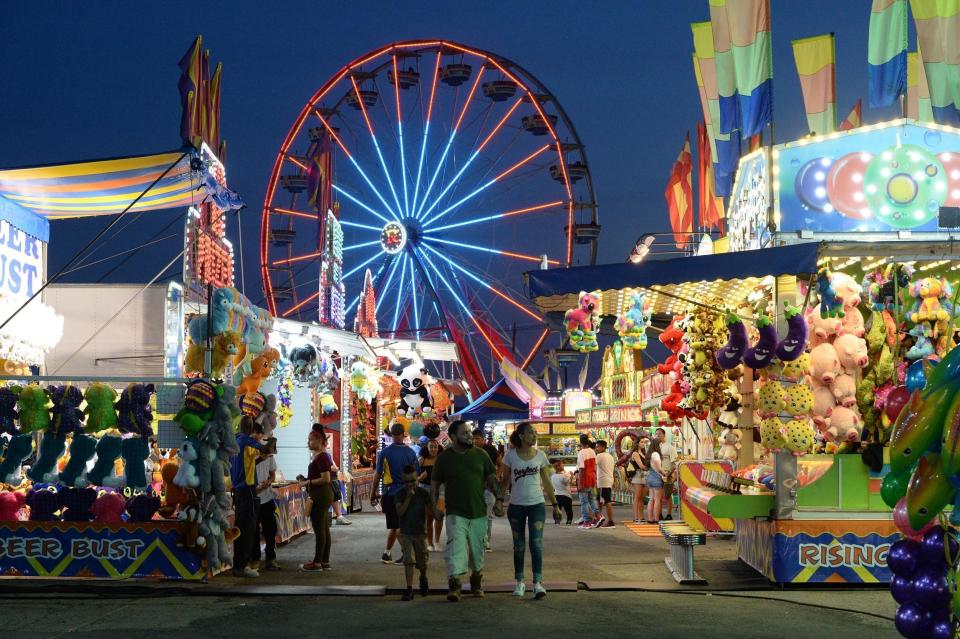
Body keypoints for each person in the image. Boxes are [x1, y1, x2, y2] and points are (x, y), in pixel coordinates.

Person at [432, 420, 504, 602]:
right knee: (455, 547)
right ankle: (454, 585)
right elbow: (435, 484)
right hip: (455, 512)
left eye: (470, 433)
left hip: (479, 511)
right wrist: (434, 507)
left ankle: (476, 582)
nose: (470, 436)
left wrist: (499, 500)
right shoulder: (444, 458)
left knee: (477, 549)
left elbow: (491, 478)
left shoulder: (481, 455)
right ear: (453, 436)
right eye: (465, 433)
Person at [501, 422, 559, 599]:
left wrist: (555, 504)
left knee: (536, 544)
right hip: (516, 505)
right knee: (518, 546)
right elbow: (505, 481)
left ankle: (538, 583)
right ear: (521, 436)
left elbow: (547, 481)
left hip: (537, 505)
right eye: (530, 433)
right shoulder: (509, 456)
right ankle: (519, 582)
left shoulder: (541, 455)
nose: (534, 436)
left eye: (535, 433)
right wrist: (498, 501)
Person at [372, 421, 418, 564]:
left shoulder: (385, 453)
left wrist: (373, 492)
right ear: (404, 435)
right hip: (408, 493)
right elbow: (416, 474)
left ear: (391, 435)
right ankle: (387, 553)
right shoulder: (410, 452)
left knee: (396, 526)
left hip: (391, 494)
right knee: (397, 526)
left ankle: (408, 554)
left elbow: (378, 474)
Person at [230, 415, 266, 577]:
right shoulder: (245, 441)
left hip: (238, 489)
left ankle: (239, 563)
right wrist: (268, 447)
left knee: (240, 525)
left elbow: (248, 463)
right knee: (248, 526)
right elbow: (264, 447)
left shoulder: (235, 441)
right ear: (251, 429)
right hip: (247, 489)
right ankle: (242, 565)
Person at [299, 425, 334, 571]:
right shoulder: (321, 456)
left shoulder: (321, 457)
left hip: (321, 494)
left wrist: (308, 482)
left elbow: (326, 478)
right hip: (323, 494)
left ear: (319, 440)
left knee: (320, 529)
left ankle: (317, 562)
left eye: (310, 440)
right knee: (324, 528)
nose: (309, 443)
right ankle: (324, 561)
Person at [396, 465, 433, 601]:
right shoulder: (400, 494)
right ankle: (409, 588)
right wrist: (408, 498)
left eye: (412, 481)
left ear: (417, 478)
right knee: (409, 561)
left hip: (420, 533)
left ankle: (423, 577)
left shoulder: (423, 493)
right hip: (406, 532)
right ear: (403, 480)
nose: (410, 484)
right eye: (407, 482)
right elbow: (400, 512)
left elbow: (431, 511)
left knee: (422, 562)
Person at [252, 423, 280, 571]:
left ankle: (271, 558)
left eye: (259, 434)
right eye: (255, 434)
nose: (258, 437)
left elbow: (272, 472)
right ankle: (255, 559)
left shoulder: (268, 449)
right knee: (254, 530)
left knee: (270, 529)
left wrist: (269, 482)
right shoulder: (247, 450)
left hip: (267, 496)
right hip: (252, 496)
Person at [473, 427, 500, 551]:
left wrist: (496, 477)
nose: (475, 441)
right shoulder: (470, 451)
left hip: (488, 488)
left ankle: (486, 541)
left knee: (487, 515)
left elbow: (501, 465)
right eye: (473, 439)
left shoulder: (491, 450)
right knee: (477, 516)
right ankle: (479, 540)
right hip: (475, 488)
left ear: (483, 439)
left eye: (477, 439)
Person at [418, 439, 443, 550]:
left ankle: (437, 541)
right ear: (427, 448)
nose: (433, 449)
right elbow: (413, 477)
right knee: (429, 517)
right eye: (431, 447)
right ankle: (429, 543)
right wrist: (420, 477)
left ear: (438, 448)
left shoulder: (442, 459)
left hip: (440, 489)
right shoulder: (422, 460)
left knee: (439, 515)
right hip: (425, 489)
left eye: (435, 447)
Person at [576, 434, 602, 528]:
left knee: (584, 502)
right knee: (592, 499)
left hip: (585, 478)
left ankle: (587, 522)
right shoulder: (592, 451)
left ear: (580, 442)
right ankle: (598, 515)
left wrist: (579, 483)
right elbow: (594, 465)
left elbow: (582, 469)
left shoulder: (581, 453)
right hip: (592, 477)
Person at [656, 427, 678, 520]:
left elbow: (674, 463)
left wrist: (669, 473)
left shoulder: (670, 447)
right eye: (656, 434)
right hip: (657, 474)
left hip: (668, 474)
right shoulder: (656, 447)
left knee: (667, 495)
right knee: (658, 496)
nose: (657, 436)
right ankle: (659, 513)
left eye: (659, 434)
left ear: (664, 435)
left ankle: (669, 514)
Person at [629, 435, 651, 523]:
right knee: (637, 497)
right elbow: (641, 466)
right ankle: (636, 517)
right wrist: (650, 467)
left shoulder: (644, 452)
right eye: (641, 442)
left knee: (642, 498)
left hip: (645, 476)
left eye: (644, 442)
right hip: (638, 476)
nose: (643, 443)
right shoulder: (635, 453)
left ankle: (641, 516)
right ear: (637, 443)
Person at [595, 440, 616, 528]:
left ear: (603, 447)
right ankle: (598, 518)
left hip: (603, 481)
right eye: (596, 447)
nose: (596, 448)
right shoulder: (610, 456)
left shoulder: (599, 456)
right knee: (600, 501)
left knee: (607, 501)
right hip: (608, 480)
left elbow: (592, 464)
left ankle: (610, 521)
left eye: (598, 446)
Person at [646, 437, 665, 524]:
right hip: (657, 477)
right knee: (657, 499)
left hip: (650, 477)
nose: (661, 446)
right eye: (660, 444)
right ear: (657, 445)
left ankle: (650, 518)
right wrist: (665, 473)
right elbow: (659, 468)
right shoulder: (656, 454)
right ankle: (657, 519)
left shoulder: (650, 454)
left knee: (651, 499)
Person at [549, 458, 573, 525]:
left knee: (557, 509)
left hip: (556, 495)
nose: (563, 466)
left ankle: (557, 521)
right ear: (559, 467)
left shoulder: (553, 476)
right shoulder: (564, 475)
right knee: (568, 509)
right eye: (562, 465)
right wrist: (571, 476)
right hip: (566, 495)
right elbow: (568, 483)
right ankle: (569, 521)